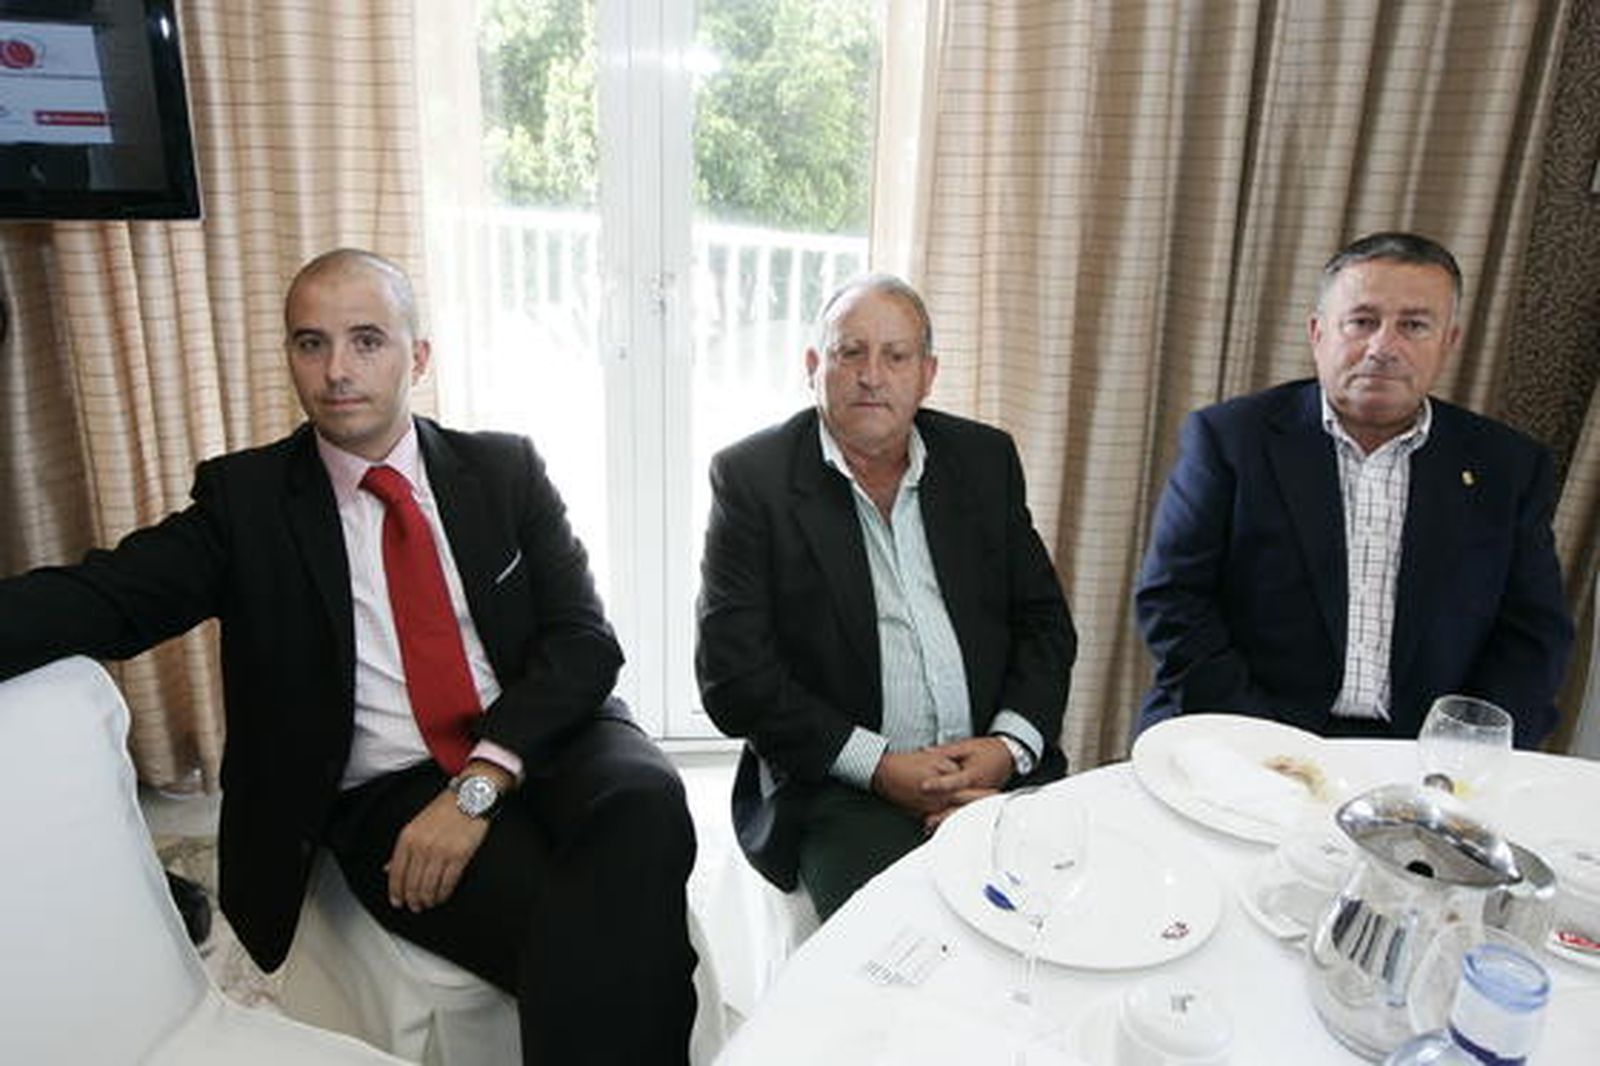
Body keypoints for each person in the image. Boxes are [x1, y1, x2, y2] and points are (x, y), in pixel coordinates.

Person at [0, 249, 696, 1064]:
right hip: (387, 789)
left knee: (646, 797)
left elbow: (584, 640)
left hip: (540, 734)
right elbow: (105, 599)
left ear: (418, 356)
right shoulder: (248, 503)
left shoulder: (504, 471)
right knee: (602, 930)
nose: (337, 371)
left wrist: (477, 788)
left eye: (367, 340)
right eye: (310, 343)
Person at [695, 273, 1076, 919]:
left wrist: (1006, 750)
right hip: (841, 786)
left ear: (927, 374)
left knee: (1065, 913)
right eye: (851, 353)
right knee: (906, 942)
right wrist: (878, 766)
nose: (873, 375)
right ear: (814, 367)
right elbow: (734, 679)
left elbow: (1045, 624)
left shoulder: (984, 460)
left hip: (990, 768)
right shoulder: (752, 479)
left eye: (896, 356)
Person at [1135, 231, 1573, 747]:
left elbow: (1532, 638)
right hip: (1243, 725)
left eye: (1413, 325)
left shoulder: (1507, 467)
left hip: (1420, 752)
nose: (1383, 347)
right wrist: (1266, 744)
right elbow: (1173, 601)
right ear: (1318, 333)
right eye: (1362, 321)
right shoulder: (1231, 440)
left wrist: (1463, 753)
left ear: (1448, 342)